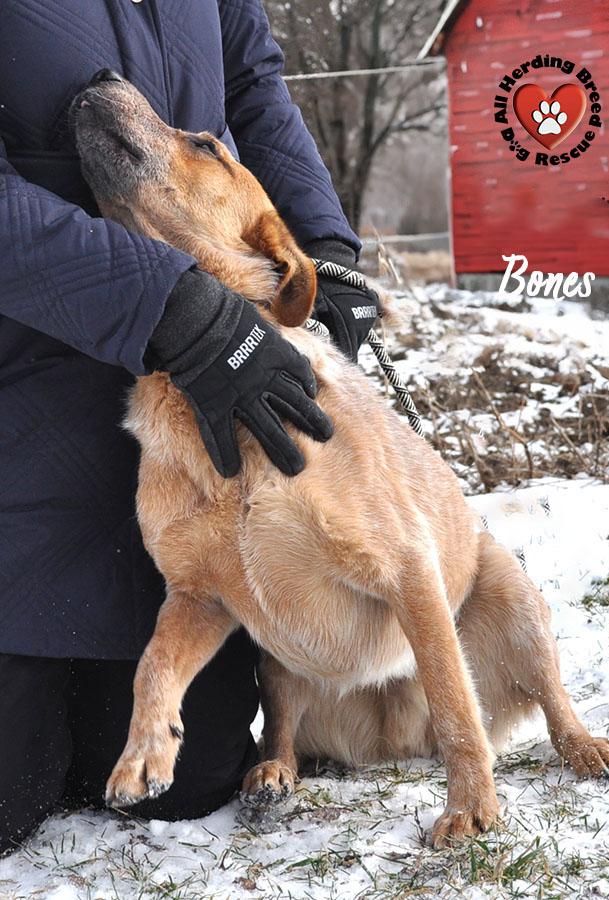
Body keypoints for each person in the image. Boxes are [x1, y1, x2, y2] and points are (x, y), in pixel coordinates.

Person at [0, 0, 381, 854]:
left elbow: (250, 81)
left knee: (192, 782)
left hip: (200, 428)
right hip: (25, 400)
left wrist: (322, 246)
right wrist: (166, 305)